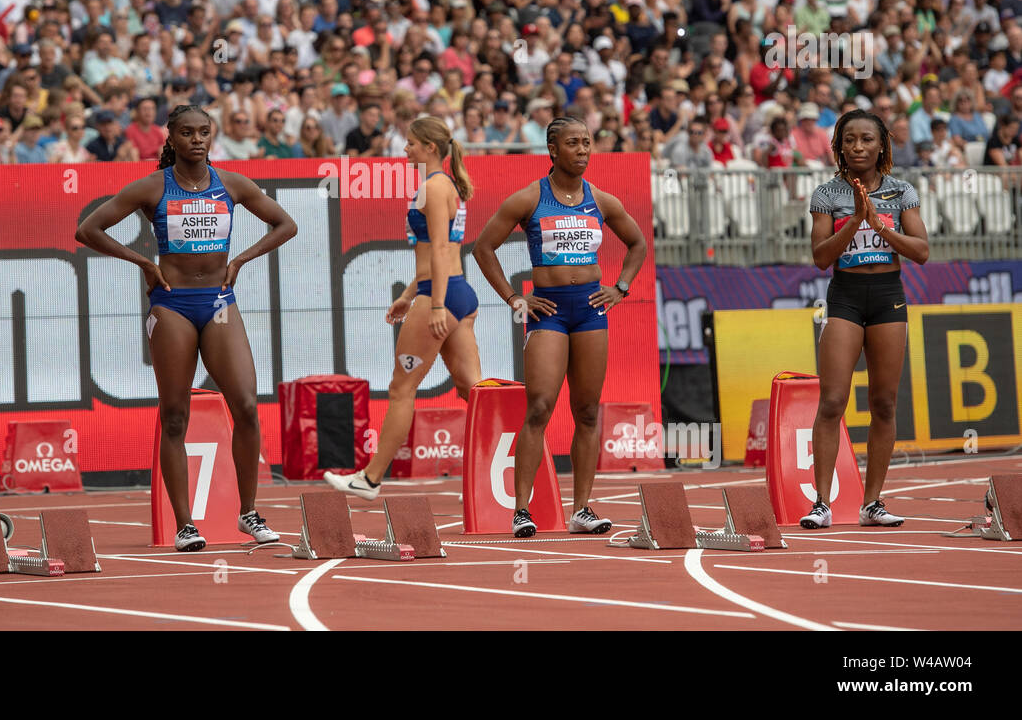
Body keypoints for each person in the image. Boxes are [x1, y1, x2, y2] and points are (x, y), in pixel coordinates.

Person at [73, 104, 296, 551]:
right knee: (175, 415)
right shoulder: (154, 186)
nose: (197, 139)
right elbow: (88, 229)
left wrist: (240, 260)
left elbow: (285, 224)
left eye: (204, 132)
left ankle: (249, 512)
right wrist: (143, 262)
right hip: (172, 304)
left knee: (247, 405)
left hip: (218, 301)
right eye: (188, 133)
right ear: (171, 138)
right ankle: (185, 523)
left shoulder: (230, 183)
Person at [473, 116, 648, 537]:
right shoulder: (528, 199)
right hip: (548, 310)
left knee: (587, 410)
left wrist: (620, 288)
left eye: (587, 142)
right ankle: (521, 509)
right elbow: (483, 248)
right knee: (539, 407)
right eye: (574, 143)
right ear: (553, 150)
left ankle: (582, 509)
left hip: (590, 309)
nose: (583, 150)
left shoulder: (601, 200)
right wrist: (515, 299)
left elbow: (638, 243)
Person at [325, 118, 481, 499]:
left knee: (401, 388)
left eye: (411, 144)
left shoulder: (433, 187)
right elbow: (434, 253)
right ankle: (493, 478)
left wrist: (435, 304)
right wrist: (409, 294)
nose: (404, 150)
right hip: (454, 291)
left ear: (430, 147)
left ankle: (371, 479)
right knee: (475, 392)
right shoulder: (444, 186)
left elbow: (442, 251)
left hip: (442, 296)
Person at [803, 110, 929, 530]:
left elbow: (921, 250)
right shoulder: (826, 193)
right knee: (833, 401)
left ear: (881, 146)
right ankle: (821, 502)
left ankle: (872, 503)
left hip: (888, 297)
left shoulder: (901, 191)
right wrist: (855, 219)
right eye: (850, 140)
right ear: (838, 147)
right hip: (846, 297)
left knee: (884, 403)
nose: (858, 147)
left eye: (867, 140)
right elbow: (821, 257)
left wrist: (880, 227)